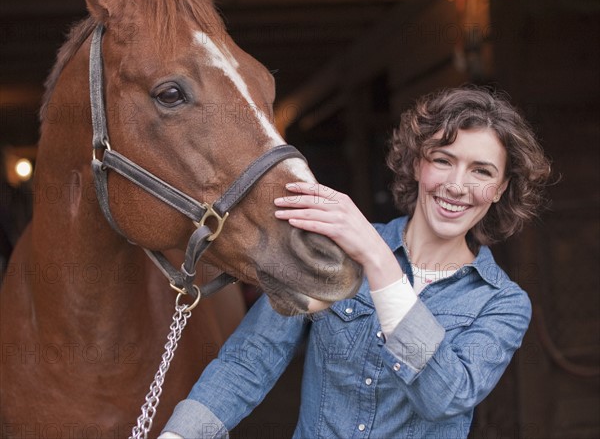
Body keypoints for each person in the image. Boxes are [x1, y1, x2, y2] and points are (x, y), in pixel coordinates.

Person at [159, 86, 551, 439]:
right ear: (417, 164)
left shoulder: (503, 303)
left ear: (500, 189)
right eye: (443, 160)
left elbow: (445, 398)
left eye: (481, 171)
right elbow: (251, 358)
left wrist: (378, 259)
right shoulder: (333, 250)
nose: (457, 185)